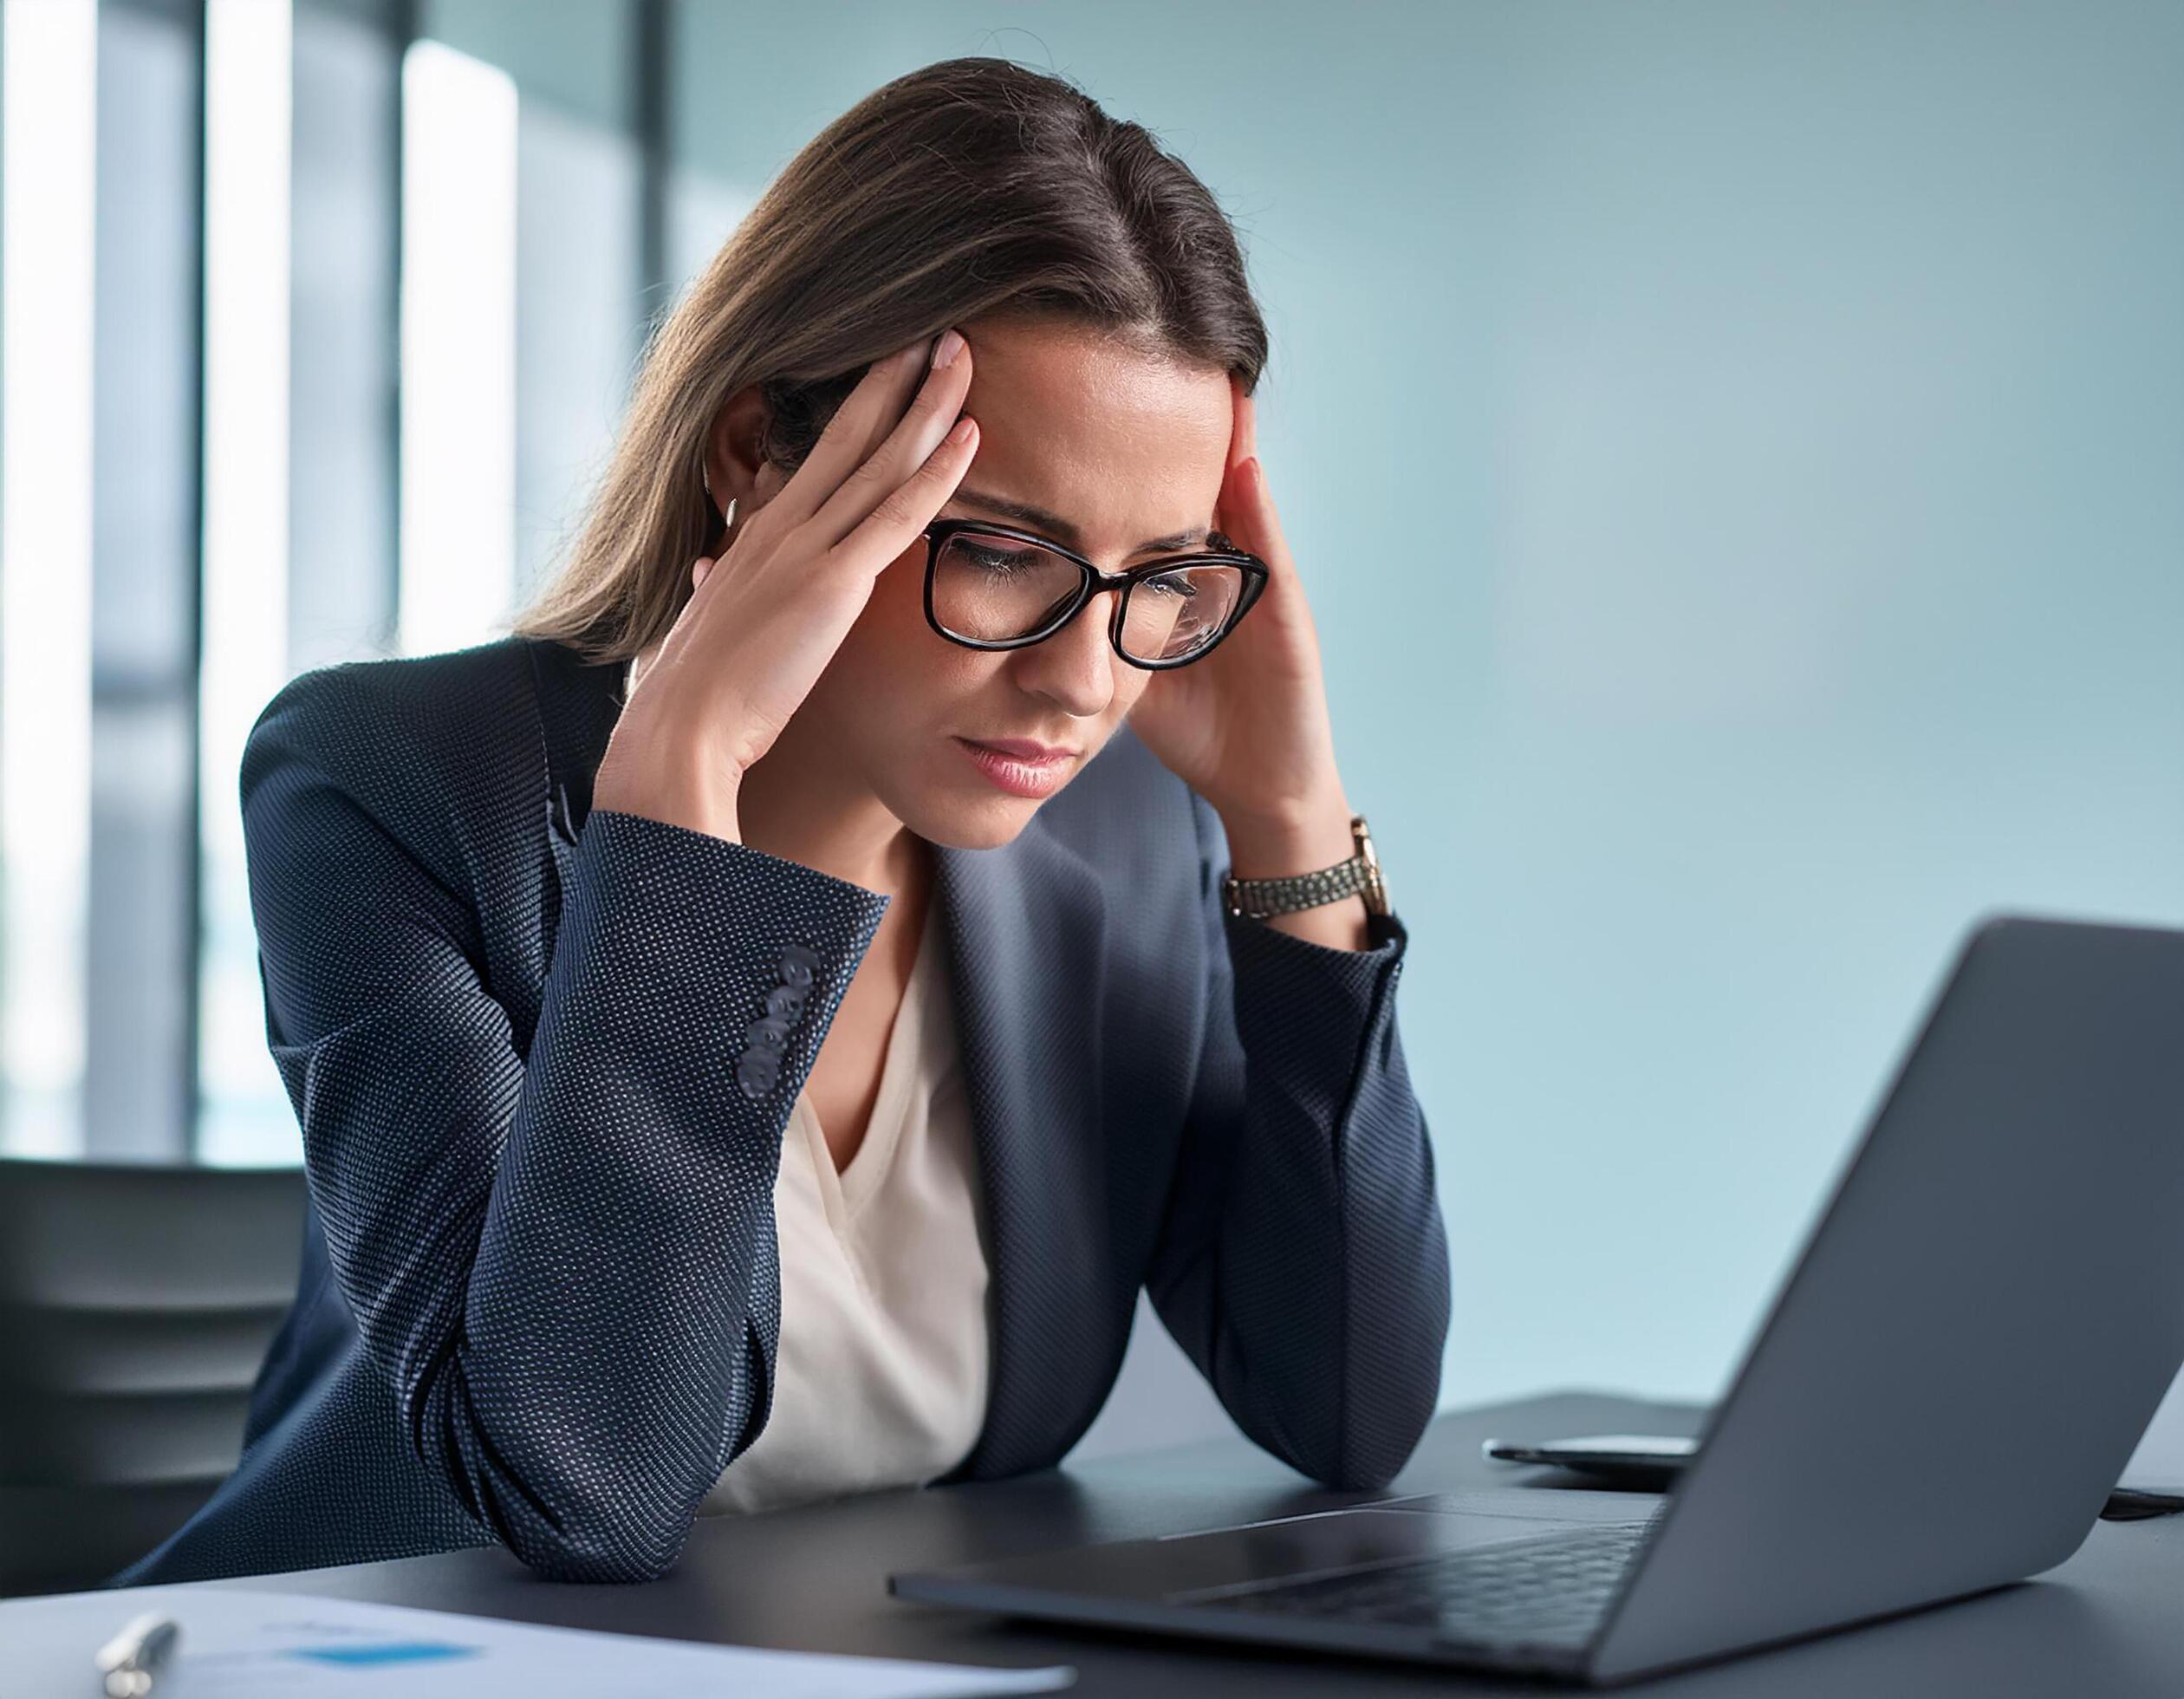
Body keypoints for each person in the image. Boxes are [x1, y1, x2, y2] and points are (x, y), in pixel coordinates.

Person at [118, 54, 1448, 1588]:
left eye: (1159, 575)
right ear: (756, 454)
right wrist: (679, 824)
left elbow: (1349, 1406)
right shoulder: (394, 786)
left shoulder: (1131, 836)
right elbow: (579, 1489)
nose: (1082, 681)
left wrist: (1291, 826)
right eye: (1007, 551)